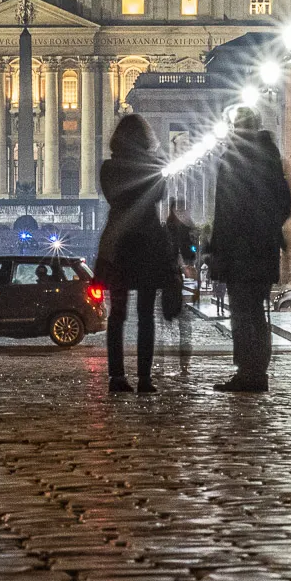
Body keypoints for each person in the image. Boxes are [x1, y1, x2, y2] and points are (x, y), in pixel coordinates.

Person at [208, 106, 291, 393]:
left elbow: (224, 212)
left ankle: (248, 372)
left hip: (237, 250)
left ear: (235, 128)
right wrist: (268, 229)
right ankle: (258, 371)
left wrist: (217, 249)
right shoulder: (270, 159)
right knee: (257, 311)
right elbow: (285, 205)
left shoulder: (230, 159)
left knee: (243, 313)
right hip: (264, 248)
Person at [94, 114, 173, 394]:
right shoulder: (151, 168)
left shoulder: (108, 169)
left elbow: (113, 197)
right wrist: (156, 156)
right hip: (148, 242)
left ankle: (116, 377)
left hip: (119, 243)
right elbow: (160, 193)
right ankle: (144, 378)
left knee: (117, 315)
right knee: (146, 316)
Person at [164, 198, 196, 372]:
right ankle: (182, 363)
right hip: (169, 283)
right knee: (178, 323)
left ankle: (183, 363)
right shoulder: (171, 230)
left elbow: (188, 252)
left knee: (181, 323)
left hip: (173, 282)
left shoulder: (178, 229)